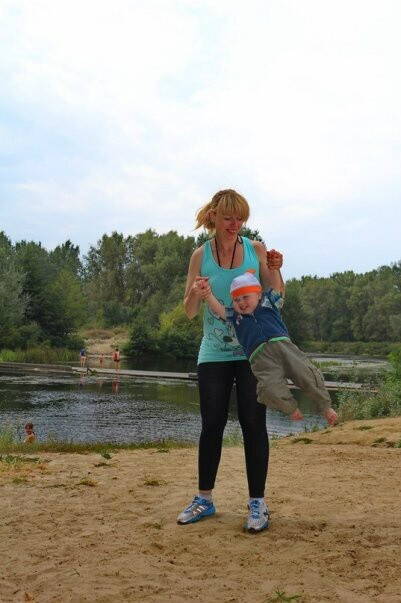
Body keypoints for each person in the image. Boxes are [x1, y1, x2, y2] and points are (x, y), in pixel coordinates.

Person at [177, 189, 284, 533]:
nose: (235, 224)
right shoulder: (200, 256)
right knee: (212, 424)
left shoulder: (255, 250)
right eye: (228, 218)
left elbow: (276, 295)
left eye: (240, 219)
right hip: (213, 352)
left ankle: (258, 504)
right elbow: (189, 311)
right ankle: (204, 499)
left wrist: (275, 269)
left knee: (254, 423)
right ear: (213, 217)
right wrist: (196, 293)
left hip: (253, 350)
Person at [203, 271, 338, 424]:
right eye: (236, 299)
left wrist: (273, 269)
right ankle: (290, 408)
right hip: (260, 359)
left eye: (245, 297)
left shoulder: (268, 304)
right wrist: (208, 294)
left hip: (284, 348)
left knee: (307, 374)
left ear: (258, 295)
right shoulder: (235, 316)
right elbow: (219, 309)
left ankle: (326, 407)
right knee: (270, 386)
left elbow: (276, 287)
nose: (241, 302)